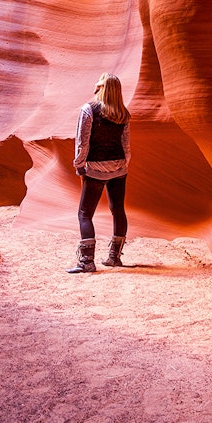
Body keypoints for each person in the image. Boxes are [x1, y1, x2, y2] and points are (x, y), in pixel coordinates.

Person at [67, 73, 131, 273]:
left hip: (96, 167)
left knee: (85, 214)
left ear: (101, 87)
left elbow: (82, 141)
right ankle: (114, 257)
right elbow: (126, 145)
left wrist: (79, 165)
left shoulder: (89, 110)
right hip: (120, 167)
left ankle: (87, 262)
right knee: (118, 210)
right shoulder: (123, 113)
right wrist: (123, 165)